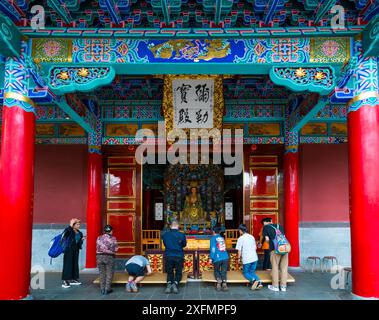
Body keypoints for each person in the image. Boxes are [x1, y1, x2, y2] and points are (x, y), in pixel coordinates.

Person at [263, 220, 289, 292]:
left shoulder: (266, 227)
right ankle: (283, 287)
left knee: (275, 267)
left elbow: (267, 239)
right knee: (284, 268)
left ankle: (275, 286)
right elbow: (283, 236)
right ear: (271, 221)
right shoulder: (279, 226)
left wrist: (271, 242)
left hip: (275, 250)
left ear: (265, 222)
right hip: (284, 249)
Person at [162, 219, 187, 294]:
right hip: (179, 255)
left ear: (170, 226)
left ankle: (169, 284)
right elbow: (184, 245)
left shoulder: (165, 235)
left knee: (170, 272)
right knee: (178, 272)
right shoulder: (181, 235)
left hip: (169, 255)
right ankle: (175, 284)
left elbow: (165, 244)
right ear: (178, 226)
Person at [236, 224, 263, 290]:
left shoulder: (240, 238)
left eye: (239, 230)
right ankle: (259, 283)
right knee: (252, 272)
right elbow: (255, 248)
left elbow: (239, 250)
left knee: (246, 272)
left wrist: (239, 258)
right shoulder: (252, 237)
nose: (239, 232)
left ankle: (253, 281)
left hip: (247, 258)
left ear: (241, 230)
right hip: (254, 258)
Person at [61, 218, 84, 288]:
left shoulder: (80, 232)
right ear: (73, 225)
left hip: (76, 250)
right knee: (68, 264)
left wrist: (81, 240)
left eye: (79, 224)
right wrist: (70, 225)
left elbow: (79, 242)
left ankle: (74, 279)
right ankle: (65, 280)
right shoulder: (69, 231)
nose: (79, 225)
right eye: (77, 224)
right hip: (68, 250)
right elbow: (65, 234)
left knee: (75, 264)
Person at [96, 225, 118, 295]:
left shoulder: (99, 237)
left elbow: (97, 246)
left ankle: (102, 289)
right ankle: (107, 289)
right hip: (109, 257)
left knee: (101, 273)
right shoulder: (113, 238)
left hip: (99, 256)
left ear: (104, 231)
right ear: (111, 231)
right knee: (109, 272)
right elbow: (116, 249)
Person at [209, 226, 229, 291]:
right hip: (225, 257)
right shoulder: (222, 238)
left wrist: (211, 258)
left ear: (213, 231)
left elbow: (213, 249)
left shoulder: (213, 238)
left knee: (216, 271)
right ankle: (224, 284)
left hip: (217, 257)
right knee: (224, 271)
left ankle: (219, 282)